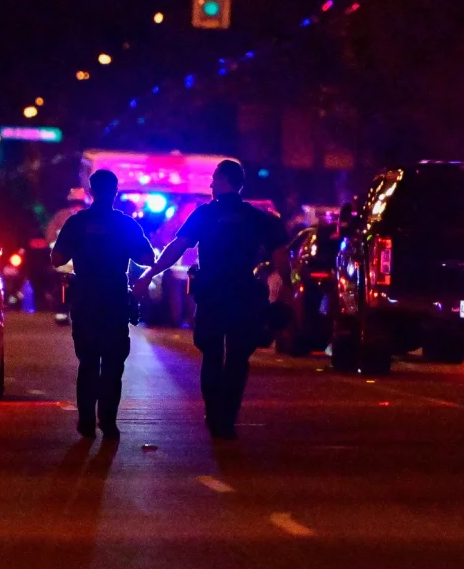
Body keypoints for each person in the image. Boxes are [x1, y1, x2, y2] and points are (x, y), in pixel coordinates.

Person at [135, 160, 288, 439]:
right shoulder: (258, 217)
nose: (210, 185)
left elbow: (176, 249)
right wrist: (282, 293)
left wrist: (149, 274)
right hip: (244, 292)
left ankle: (215, 412)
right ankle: (227, 416)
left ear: (224, 180)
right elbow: (282, 260)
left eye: (214, 179)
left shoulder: (205, 214)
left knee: (212, 354)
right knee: (239, 358)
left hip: (213, 293)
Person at [51, 170, 155, 440]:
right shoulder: (126, 224)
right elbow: (147, 256)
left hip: (85, 297)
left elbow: (56, 257)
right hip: (114, 299)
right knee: (112, 364)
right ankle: (108, 421)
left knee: (87, 362)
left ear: (91, 191)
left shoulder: (77, 223)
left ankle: (86, 421)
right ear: (115, 191)